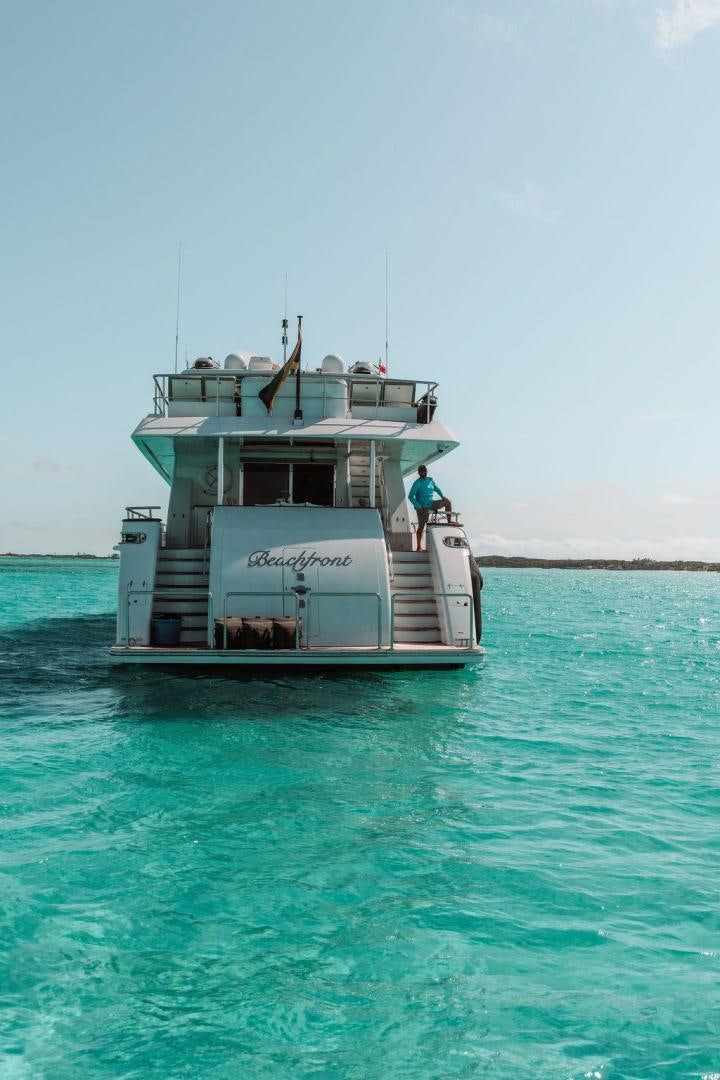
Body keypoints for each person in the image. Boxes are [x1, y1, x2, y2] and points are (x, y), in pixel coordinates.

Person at [408, 465, 452, 551]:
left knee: (448, 502)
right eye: (420, 471)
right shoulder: (417, 483)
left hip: (432, 504)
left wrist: (442, 497)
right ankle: (418, 547)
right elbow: (410, 496)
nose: (422, 473)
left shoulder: (430, 480)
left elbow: (436, 489)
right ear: (418, 473)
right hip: (422, 507)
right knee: (421, 526)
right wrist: (418, 506)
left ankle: (449, 521)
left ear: (426, 471)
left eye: (423, 471)